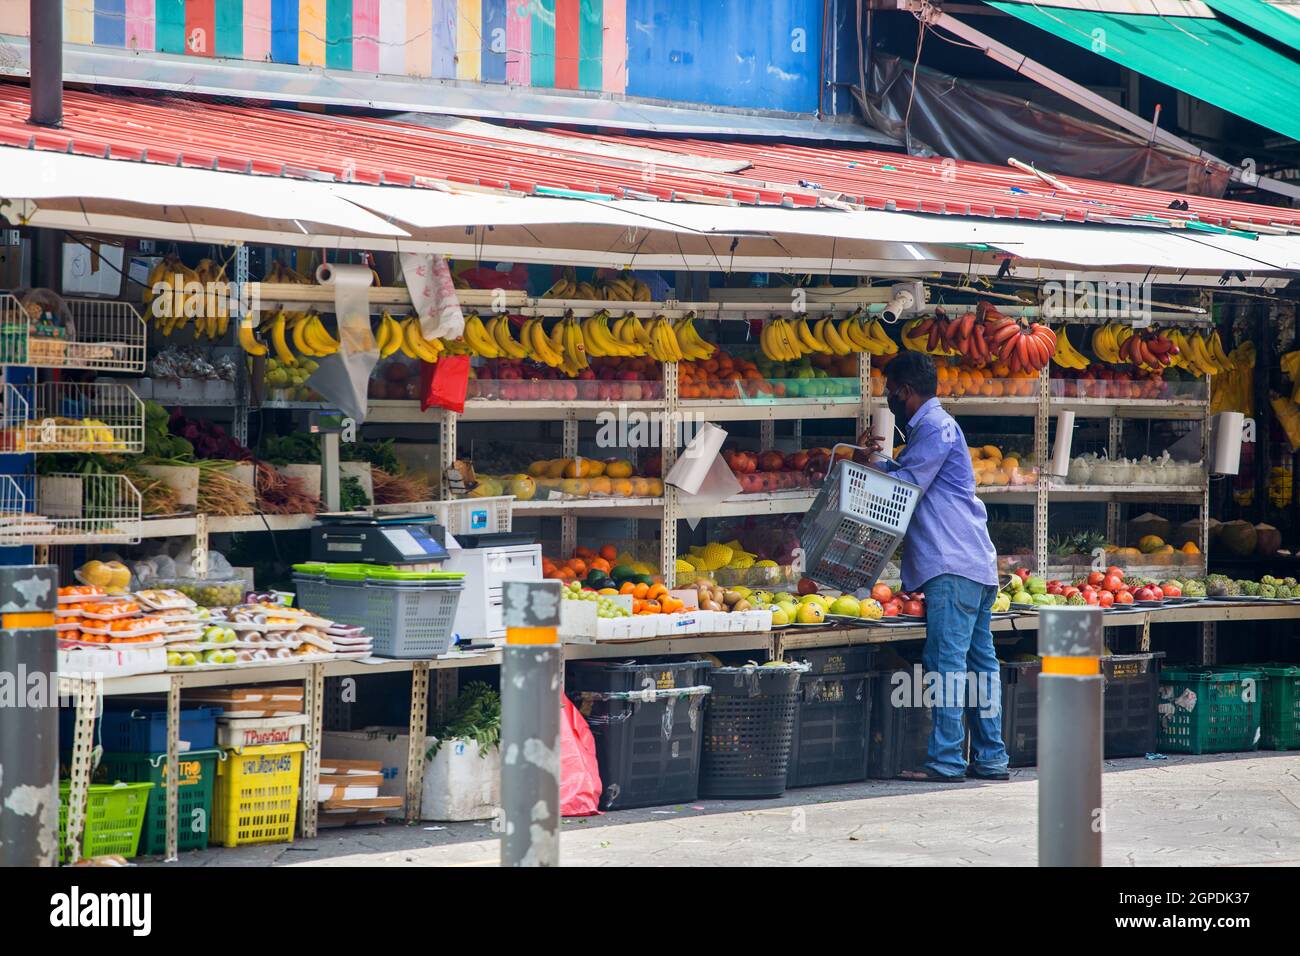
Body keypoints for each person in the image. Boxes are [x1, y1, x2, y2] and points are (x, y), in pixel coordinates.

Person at [858, 350, 1009, 782]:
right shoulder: (935, 429)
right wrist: (881, 461)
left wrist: (869, 466)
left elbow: (906, 487)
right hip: (973, 564)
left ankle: (946, 760)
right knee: (981, 665)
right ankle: (992, 757)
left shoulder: (935, 427)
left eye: (889, 392)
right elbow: (911, 473)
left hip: (952, 567)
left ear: (905, 391)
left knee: (947, 664)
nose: (887, 400)